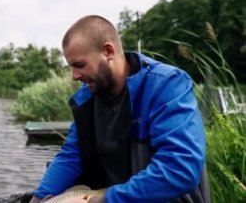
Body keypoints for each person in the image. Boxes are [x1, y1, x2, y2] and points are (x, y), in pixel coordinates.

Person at [30, 15, 210, 202]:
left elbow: (180, 170)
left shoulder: (167, 85)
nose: (74, 76)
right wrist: (38, 198)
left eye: (79, 65)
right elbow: (72, 154)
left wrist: (105, 200)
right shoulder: (88, 99)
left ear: (108, 51)